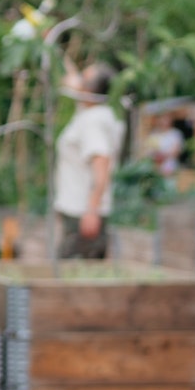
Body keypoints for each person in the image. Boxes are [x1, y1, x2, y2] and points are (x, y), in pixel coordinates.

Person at [53, 60, 124, 259]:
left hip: (84, 214)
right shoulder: (89, 112)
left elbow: (102, 166)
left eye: (84, 79)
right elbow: (70, 76)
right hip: (77, 210)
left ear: (91, 90)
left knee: (72, 278)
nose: (78, 81)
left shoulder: (94, 121)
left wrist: (92, 211)